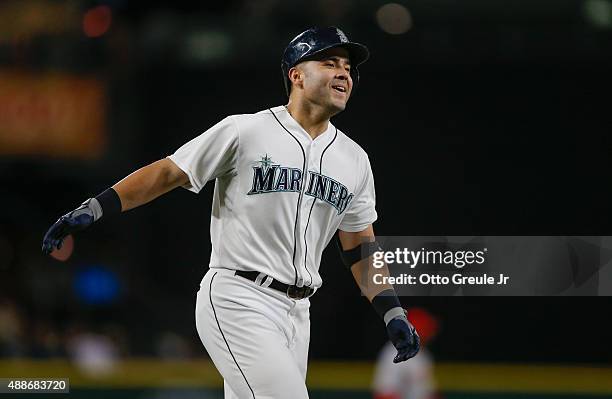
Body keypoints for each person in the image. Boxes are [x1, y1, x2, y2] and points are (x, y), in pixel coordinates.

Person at [42, 26, 420, 399]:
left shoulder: (354, 159)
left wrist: (392, 311)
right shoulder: (246, 130)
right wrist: (97, 207)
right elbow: (170, 172)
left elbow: (358, 246)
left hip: (297, 315)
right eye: (330, 62)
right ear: (297, 74)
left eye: (348, 67)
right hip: (239, 298)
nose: (344, 72)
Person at [373, 308, 440, 399]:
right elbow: (385, 394)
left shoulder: (424, 354)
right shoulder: (394, 352)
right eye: (425, 328)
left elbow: (429, 393)